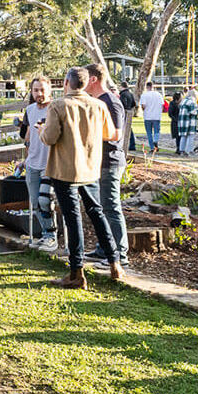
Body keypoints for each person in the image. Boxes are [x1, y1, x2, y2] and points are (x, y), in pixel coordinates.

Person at [42, 67, 120, 288]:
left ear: (67, 82)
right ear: (85, 84)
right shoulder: (99, 105)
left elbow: (49, 137)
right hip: (90, 168)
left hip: (64, 170)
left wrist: (40, 130)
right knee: (97, 213)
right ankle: (115, 262)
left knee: (72, 218)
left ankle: (77, 272)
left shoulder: (58, 105)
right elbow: (109, 133)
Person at [85, 63, 129, 266]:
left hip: (110, 161)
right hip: (98, 162)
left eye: (85, 79)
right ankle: (104, 248)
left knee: (111, 207)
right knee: (101, 207)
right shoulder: (98, 101)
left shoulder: (110, 102)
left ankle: (120, 255)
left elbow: (117, 134)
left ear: (93, 79)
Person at [19, 76, 56, 248]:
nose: (39, 93)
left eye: (42, 90)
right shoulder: (30, 110)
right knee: (34, 203)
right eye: (35, 90)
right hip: (33, 162)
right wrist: (26, 158)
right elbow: (27, 136)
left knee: (45, 201)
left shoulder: (56, 109)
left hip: (50, 164)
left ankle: (52, 235)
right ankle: (45, 234)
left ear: (49, 90)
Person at [137, 86, 165, 154]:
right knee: (156, 131)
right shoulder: (158, 94)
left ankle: (152, 147)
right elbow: (162, 105)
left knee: (149, 133)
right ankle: (155, 140)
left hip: (147, 116)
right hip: (156, 116)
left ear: (146, 87)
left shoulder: (144, 95)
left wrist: (145, 110)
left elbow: (143, 106)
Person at [173, 91, 197, 155]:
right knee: (190, 136)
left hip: (182, 122)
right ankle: (189, 150)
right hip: (189, 122)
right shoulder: (192, 102)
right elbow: (194, 112)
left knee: (183, 136)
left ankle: (182, 150)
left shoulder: (183, 101)